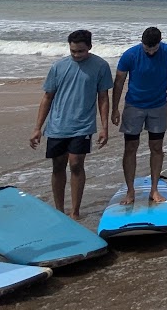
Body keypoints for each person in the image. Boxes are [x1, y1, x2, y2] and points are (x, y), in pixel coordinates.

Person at [29, 30, 112, 218]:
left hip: (83, 125)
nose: (76, 55)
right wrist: (37, 129)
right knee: (58, 166)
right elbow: (47, 97)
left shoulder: (101, 66)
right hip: (57, 125)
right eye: (73, 51)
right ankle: (59, 211)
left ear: (89, 47)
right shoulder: (58, 66)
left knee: (75, 164)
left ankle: (75, 211)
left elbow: (103, 98)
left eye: (80, 51)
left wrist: (104, 128)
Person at [111, 26, 167, 207]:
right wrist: (115, 108)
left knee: (156, 146)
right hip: (134, 106)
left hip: (158, 105)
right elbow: (119, 81)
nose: (151, 51)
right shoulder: (130, 55)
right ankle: (130, 191)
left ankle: (154, 189)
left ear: (160, 43)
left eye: (154, 48)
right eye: (147, 48)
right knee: (130, 147)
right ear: (142, 43)